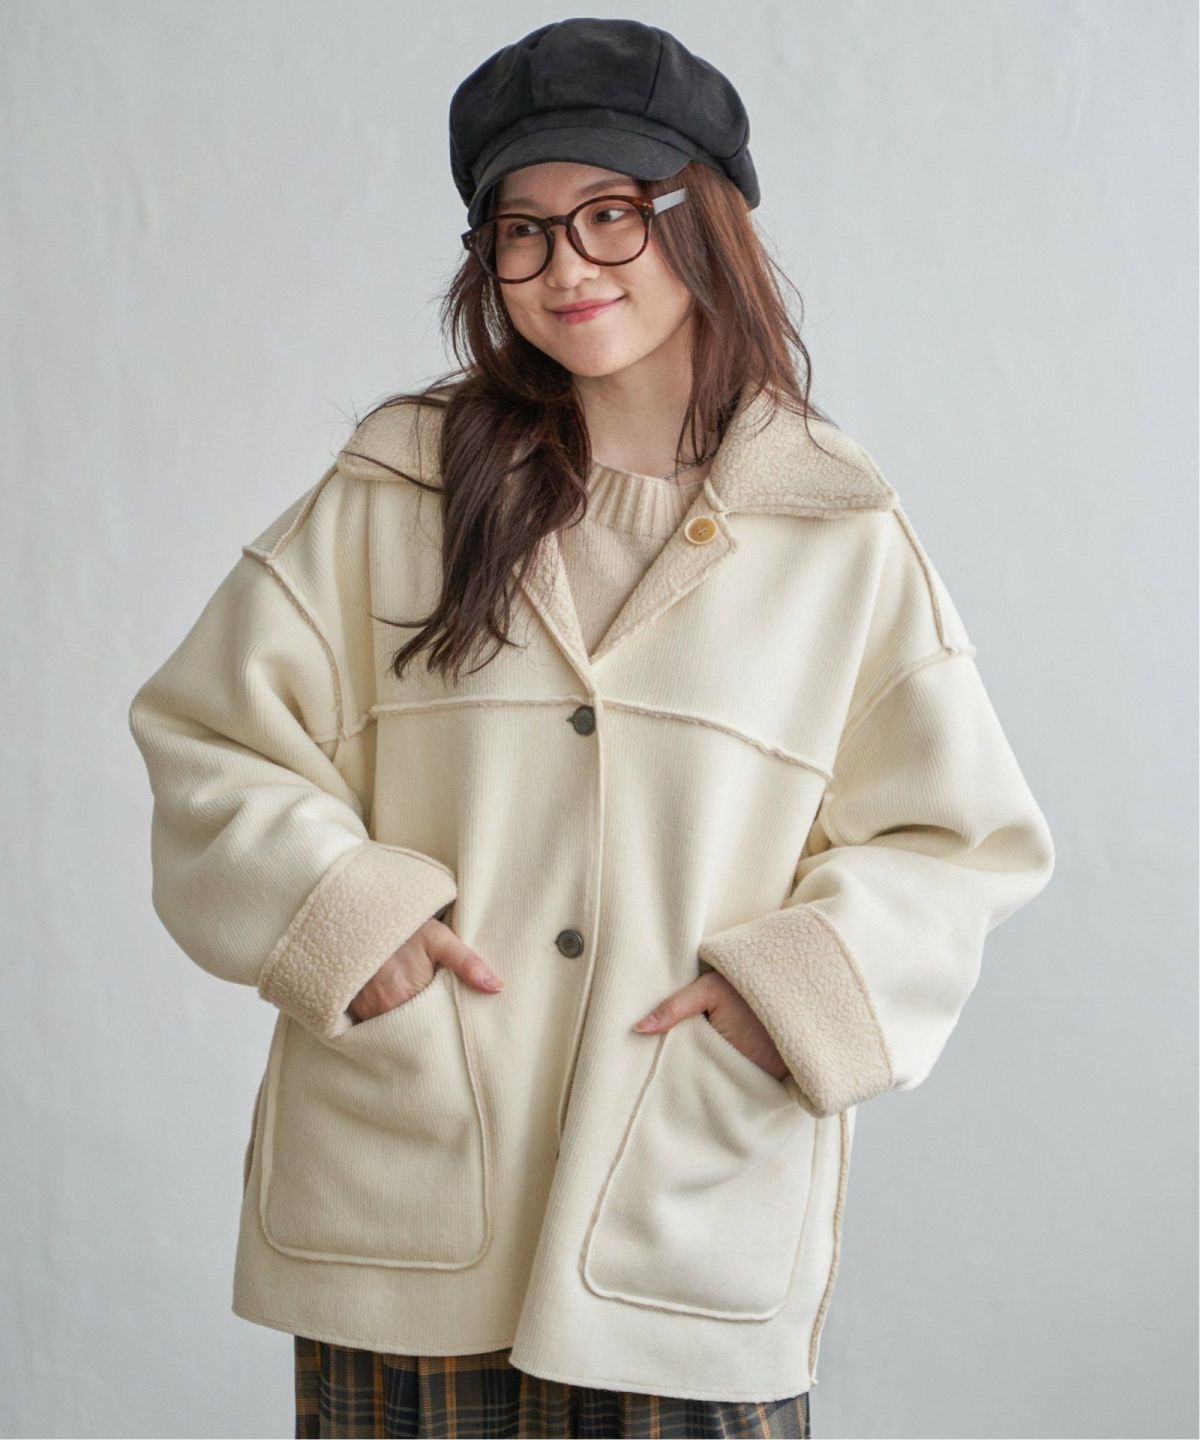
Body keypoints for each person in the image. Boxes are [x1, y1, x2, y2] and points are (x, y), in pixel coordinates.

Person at [128, 17, 1056, 1440]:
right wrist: (349, 922)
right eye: (524, 229)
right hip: (410, 1194)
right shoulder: (397, 490)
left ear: (708, 221)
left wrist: (787, 1001)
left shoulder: (835, 532)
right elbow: (212, 735)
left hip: (682, 1218)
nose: (566, 266)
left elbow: (959, 840)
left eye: (613, 213)